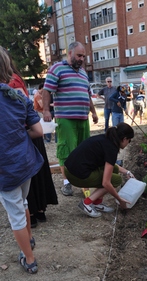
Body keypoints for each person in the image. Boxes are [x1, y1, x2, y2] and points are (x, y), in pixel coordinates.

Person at [0, 46, 44, 274]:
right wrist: (19, 135)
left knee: (15, 212)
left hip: (4, 170)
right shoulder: (18, 96)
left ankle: (29, 259)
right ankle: (30, 239)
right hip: (24, 162)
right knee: (23, 203)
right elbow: (37, 131)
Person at [42, 41, 99, 197]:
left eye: (84, 56)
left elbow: (87, 94)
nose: (81, 59)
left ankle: (82, 181)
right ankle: (67, 183)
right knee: (66, 150)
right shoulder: (57, 68)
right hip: (66, 118)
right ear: (70, 53)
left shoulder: (83, 73)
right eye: (79, 55)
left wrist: (93, 112)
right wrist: (46, 110)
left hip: (83, 118)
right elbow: (47, 91)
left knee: (83, 150)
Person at [7, 57, 58, 229]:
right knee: (34, 175)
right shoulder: (16, 78)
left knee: (29, 178)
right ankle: (38, 212)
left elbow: (17, 111)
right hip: (29, 132)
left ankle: (34, 214)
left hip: (23, 135)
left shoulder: (11, 81)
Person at [64, 122, 135, 218]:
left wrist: (127, 172)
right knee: (115, 179)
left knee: (110, 173)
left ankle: (97, 203)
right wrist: (120, 199)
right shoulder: (111, 149)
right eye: (129, 140)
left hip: (70, 169)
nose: (128, 143)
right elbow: (106, 183)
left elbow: (110, 166)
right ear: (124, 138)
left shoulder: (105, 139)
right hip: (77, 175)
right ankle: (86, 203)